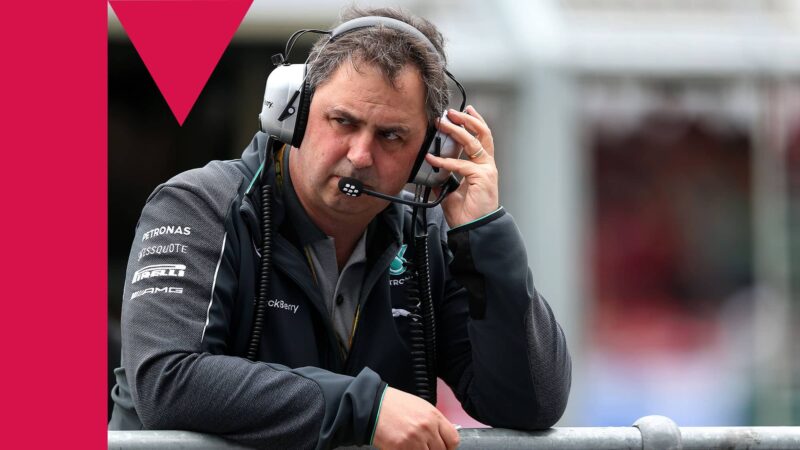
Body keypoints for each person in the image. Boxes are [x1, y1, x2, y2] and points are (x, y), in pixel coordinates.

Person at [109, 6, 571, 450]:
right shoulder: (198, 205)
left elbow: (531, 403)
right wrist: (365, 409)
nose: (360, 156)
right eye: (343, 122)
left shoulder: (428, 236)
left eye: (391, 136)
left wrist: (485, 235)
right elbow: (166, 382)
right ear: (293, 112)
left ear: (430, 151)